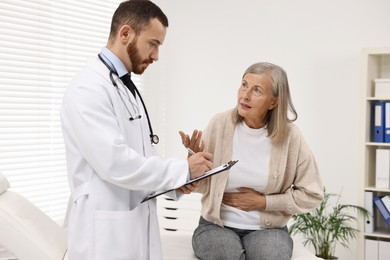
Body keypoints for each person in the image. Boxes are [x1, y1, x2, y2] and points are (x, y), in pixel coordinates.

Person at [60, 1, 212, 259]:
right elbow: (115, 163)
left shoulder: (124, 88)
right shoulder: (87, 88)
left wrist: (179, 182)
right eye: (153, 43)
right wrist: (181, 170)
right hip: (104, 234)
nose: (156, 56)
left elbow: (142, 158)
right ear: (126, 34)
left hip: (130, 224)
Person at [179, 62, 324, 260]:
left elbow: (312, 194)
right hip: (216, 227)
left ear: (273, 102)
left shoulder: (291, 137)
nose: (245, 95)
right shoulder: (219, 125)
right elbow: (201, 185)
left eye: (257, 90)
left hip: (269, 230)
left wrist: (265, 202)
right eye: (244, 85)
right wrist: (193, 166)